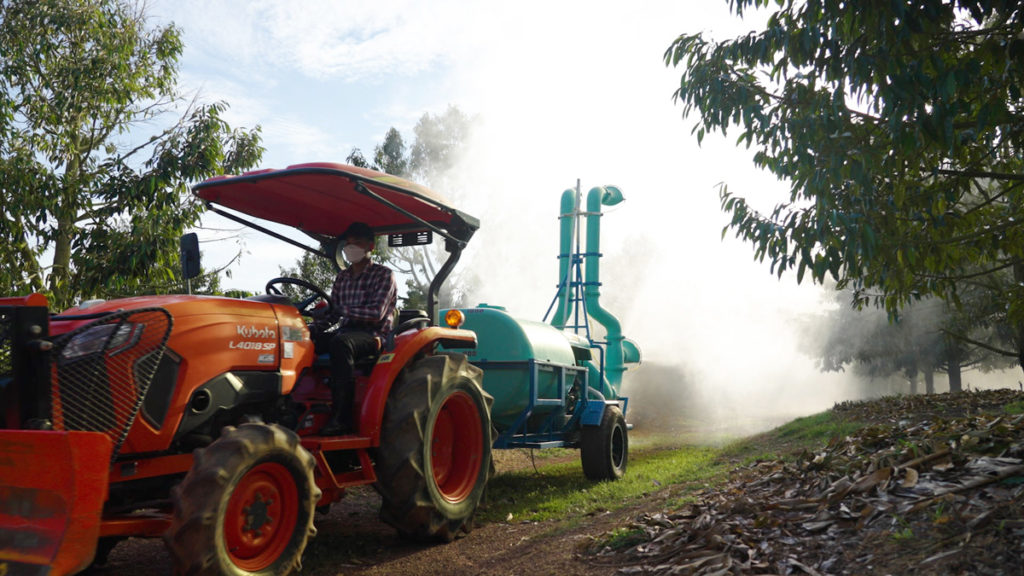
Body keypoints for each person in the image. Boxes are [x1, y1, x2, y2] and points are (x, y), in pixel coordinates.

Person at [318, 221, 397, 435]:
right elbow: (333, 313)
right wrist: (312, 324)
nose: (351, 248)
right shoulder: (342, 277)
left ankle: (341, 417)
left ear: (370, 246)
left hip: (372, 336)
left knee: (341, 344)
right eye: (348, 244)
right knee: (302, 337)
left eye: (357, 243)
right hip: (344, 332)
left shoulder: (383, 275)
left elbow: (375, 313)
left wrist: (343, 310)